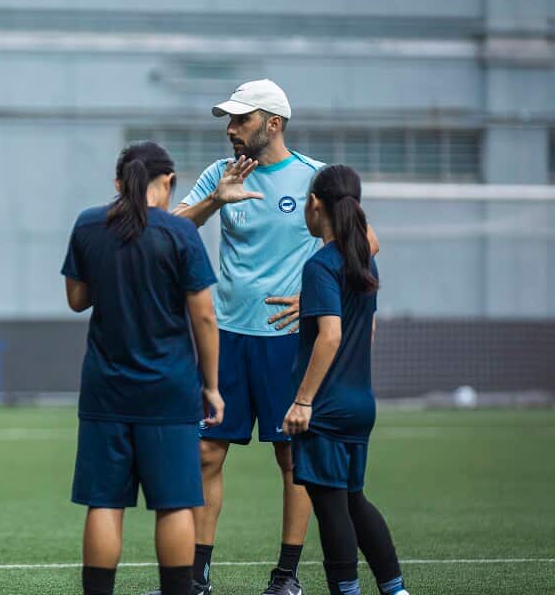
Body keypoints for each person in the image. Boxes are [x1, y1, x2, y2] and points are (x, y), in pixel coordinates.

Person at [173, 79, 343, 595]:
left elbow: (363, 247)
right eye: (229, 120)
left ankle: (286, 576)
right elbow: (167, 229)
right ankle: (197, 578)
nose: (230, 130)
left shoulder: (316, 178)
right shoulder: (217, 174)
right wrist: (212, 203)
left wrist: (316, 300)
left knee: (291, 459)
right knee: (206, 455)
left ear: (273, 124)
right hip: (222, 337)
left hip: (285, 344)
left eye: (240, 120)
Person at [63, 142, 223, 595]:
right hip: (169, 390)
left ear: (118, 182)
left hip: (105, 389)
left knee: (104, 503)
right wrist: (211, 386)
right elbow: (204, 317)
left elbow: (77, 300)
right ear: (168, 181)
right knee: (174, 504)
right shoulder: (179, 233)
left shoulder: (89, 224)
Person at [282, 165, 409, 595]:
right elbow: (364, 331)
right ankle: (395, 589)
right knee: (354, 500)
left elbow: (330, 335)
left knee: (331, 506)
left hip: (327, 409)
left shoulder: (320, 266)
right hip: (359, 403)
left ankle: (347, 591)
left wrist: (303, 401)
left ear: (315, 205)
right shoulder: (363, 262)